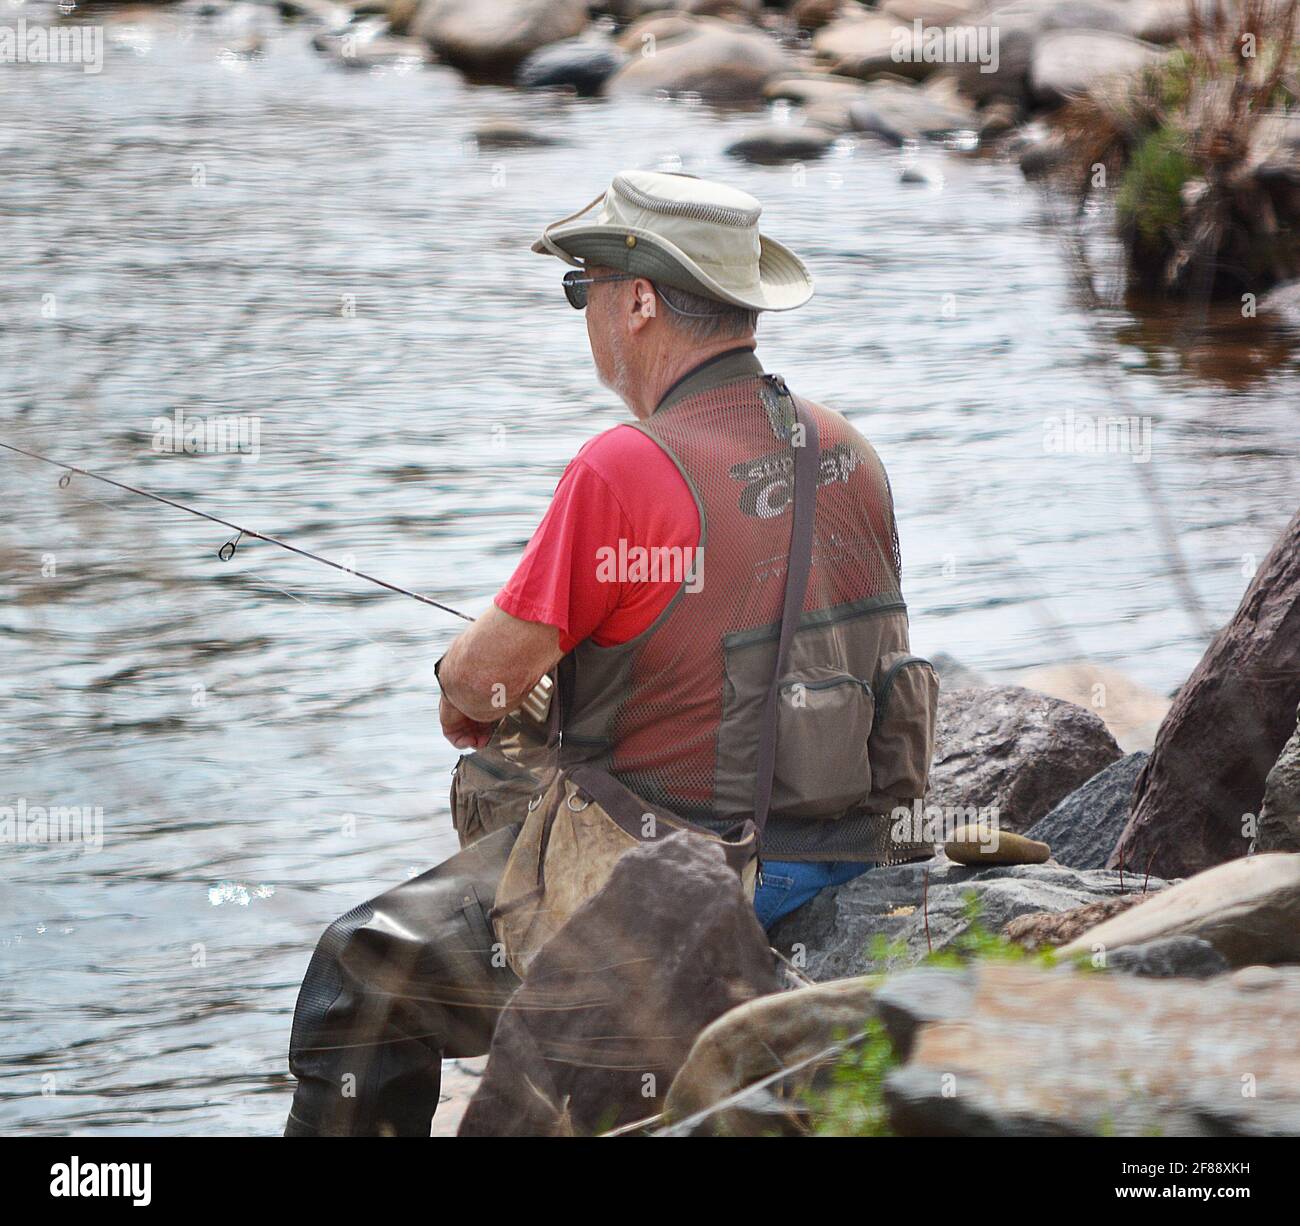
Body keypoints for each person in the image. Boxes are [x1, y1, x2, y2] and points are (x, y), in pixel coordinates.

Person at [284, 170, 934, 1137]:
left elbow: (475, 690)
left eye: (577, 286)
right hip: (845, 856)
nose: (580, 310)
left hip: (688, 889)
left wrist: (471, 684)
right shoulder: (847, 448)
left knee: (358, 968)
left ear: (635, 300)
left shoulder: (624, 467)